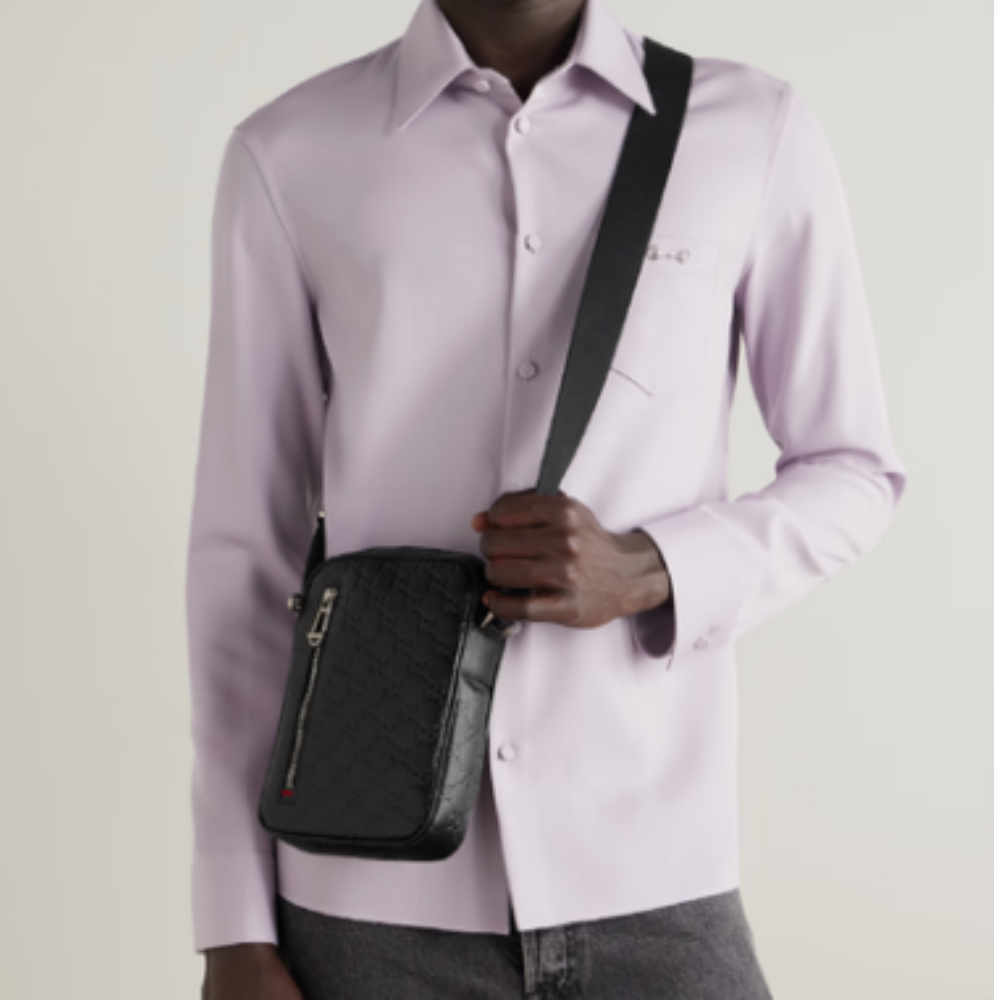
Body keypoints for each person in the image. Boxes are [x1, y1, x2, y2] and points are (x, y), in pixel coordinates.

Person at [185, 0, 909, 996]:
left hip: (653, 877)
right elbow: (243, 557)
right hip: (364, 905)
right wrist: (232, 924)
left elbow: (852, 468)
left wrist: (652, 568)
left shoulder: (752, 130)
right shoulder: (289, 154)